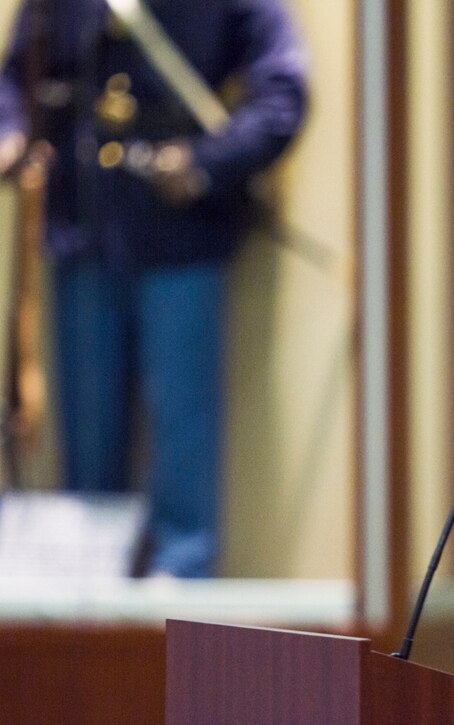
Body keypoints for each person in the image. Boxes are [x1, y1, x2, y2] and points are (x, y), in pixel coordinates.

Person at [0, 0, 308, 577]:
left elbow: (283, 93)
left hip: (181, 237)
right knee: (87, 465)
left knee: (183, 445)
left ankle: (180, 593)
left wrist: (208, 162)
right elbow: (16, 79)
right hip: (83, 232)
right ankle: (83, 603)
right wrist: (12, 135)